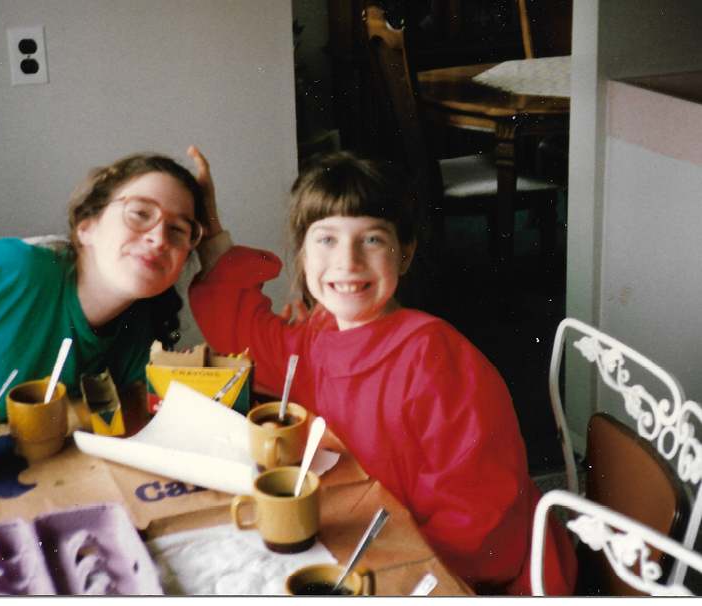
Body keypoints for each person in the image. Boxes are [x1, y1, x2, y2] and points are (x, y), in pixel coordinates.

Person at [188, 151, 578, 595]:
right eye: (327, 239)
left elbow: (480, 522)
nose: (348, 261)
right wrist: (211, 231)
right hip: (371, 536)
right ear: (302, 253)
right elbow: (245, 332)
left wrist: (378, 570)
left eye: (371, 239)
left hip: (462, 570)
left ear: (405, 253)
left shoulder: (435, 360)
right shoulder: (320, 332)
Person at [0, 146, 213, 427]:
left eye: (179, 230)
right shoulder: (7, 269)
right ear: (86, 227)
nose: (158, 238)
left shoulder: (138, 331)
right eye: (140, 214)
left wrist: (213, 239)